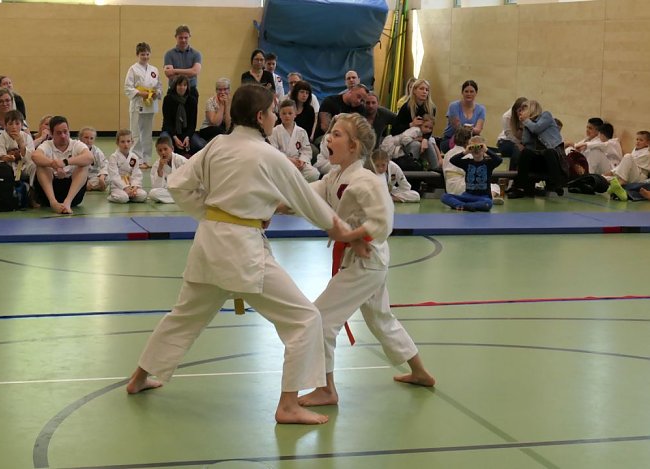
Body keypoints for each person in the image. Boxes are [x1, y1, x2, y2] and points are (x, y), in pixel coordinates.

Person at [125, 84, 355, 425]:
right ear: (261, 117)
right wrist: (339, 229)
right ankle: (289, 405)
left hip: (209, 246)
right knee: (305, 319)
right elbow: (307, 200)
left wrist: (209, 213)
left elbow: (177, 184)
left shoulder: (218, 145)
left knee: (184, 316)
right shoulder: (269, 155)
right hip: (242, 251)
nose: (276, 116)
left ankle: (138, 379)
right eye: (273, 111)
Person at [297, 112, 434, 410]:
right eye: (330, 133)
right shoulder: (334, 177)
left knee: (320, 318)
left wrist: (353, 235)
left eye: (337, 134)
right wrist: (270, 204)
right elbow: (306, 197)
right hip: (364, 261)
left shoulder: (367, 180)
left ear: (354, 146)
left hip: (366, 260)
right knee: (380, 318)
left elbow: (383, 221)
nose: (329, 138)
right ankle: (421, 373)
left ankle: (326, 389)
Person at [30, 116, 93, 214]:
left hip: (72, 193)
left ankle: (67, 203)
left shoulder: (76, 144)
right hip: (49, 192)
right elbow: (35, 156)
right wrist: (52, 164)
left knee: (83, 166)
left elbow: (89, 157)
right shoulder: (47, 145)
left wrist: (65, 162)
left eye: (65, 132)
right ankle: (53, 202)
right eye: (59, 133)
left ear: (69, 131)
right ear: (51, 133)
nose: (63, 136)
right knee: (41, 166)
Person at [507, 100, 568, 198]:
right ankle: (519, 188)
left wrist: (526, 121)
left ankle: (556, 184)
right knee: (526, 152)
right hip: (538, 160)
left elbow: (537, 128)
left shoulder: (546, 115)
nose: (521, 111)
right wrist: (524, 125)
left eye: (524, 108)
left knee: (549, 151)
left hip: (553, 159)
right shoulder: (528, 124)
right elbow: (526, 142)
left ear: (532, 108)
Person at [124, 42, 162, 169]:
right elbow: (127, 88)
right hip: (138, 105)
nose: (145, 57)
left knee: (147, 134)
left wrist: (157, 93)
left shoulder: (154, 70)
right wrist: (141, 93)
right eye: (142, 54)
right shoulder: (133, 69)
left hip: (150, 105)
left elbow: (159, 86)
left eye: (147, 54)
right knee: (136, 133)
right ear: (137, 55)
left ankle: (146, 159)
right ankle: (136, 160)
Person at [441, 136, 503, 211]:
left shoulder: (488, 164)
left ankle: (462, 206)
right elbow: (453, 160)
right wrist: (465, 152)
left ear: (483, 149)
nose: (476, 150)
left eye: (479, 147)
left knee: (488, 203)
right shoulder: (467, 163)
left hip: (483, 197)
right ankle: (467, 206)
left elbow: (499, 160)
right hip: (467, 196)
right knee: (445, 197)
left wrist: (486, 150)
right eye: (473, 148)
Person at [267, 99, 318, 182]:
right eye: (284, 113)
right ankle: (295, 183)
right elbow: (274, 152)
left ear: (295, 114)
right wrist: (289, 160)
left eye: (290, 113)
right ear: (279, 115)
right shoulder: (274, 131)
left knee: (314, 174)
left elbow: (306, 151)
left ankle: (293, 183)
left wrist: (302, 161)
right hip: (283, 163)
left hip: (298, 163)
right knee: (277, 177)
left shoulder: (301, 132)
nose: (287, 116)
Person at [0, 109, 35, 208]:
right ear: (5, 125)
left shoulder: (26, 137)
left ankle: (32, 194)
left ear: (22, 125)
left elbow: (31, 157)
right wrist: (6, 157)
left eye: (17, 123)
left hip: (24, 167)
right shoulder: (2, 137)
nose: (14, 127)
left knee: (34, 166)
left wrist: (21, 143)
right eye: (10, 124)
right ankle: (7, 194)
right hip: (8, 167)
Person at [440, 80, 486, 153]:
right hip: (452, 139)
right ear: (462, 92)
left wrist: (470, 130)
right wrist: (471, 129)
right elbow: (457, 128)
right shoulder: (453, 106)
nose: (469, 94)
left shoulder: (481, 109)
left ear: (476, 93)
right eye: (466, 91)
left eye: (471, 91)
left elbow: (478, 129)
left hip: (471, 140)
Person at [604, 131, 650, 201]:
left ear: (648, 143)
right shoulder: (635, 149)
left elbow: (630, 163)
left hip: (640, 177)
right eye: (637, 139)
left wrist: (612, 172)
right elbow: (626, 165)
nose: (638, 142)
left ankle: (620, 182)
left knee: (628, 156)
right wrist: (610, 173)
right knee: (627, 158)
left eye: (641, 140)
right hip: (632, 175)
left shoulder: (647, 153)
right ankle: (616, 184)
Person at [161, 75, 200, 156]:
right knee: (164, 145)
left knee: (199, 145)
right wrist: (175, 137)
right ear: (175, 86)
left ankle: (187, 156)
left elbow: (193, 124)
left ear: (187, 87)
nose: (182, 87)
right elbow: (167, 122)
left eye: (184, 85)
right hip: (170, 132)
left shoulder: (192, 100)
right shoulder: (168, 99)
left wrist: (187, 137)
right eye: (179, 85)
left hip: (186, 132)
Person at [107, 129, 147, 204]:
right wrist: (125, 187)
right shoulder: (114, 157)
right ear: (117, 143)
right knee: (123, 198)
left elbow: (137, 174)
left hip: (131, 184)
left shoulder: (134, 157)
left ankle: (130, 195)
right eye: (122, 142)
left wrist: (135, 187)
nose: (126, 144)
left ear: (132, 142)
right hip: (118, 186)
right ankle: (112, 195)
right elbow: (114, 176)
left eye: (128, 141)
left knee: (143, 195)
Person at [163, 25, 202, 99]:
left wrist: (174, 70)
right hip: (173, 91)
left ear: (189, 37)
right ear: (176, 37)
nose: (183, 40)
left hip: (191, 91)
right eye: (180, 37)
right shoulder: (169, 54)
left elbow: (195, 71)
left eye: (186, 37)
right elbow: (169, 74)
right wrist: (189, 72)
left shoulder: (196, 54)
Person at [148, 135, 188, 204]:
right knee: (153, 193)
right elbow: (156, 187)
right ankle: (181, 199)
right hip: (172, 193)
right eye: (160, 150)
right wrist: (160, 169)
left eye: (165, 149)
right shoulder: (156, 165)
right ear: (157, 151)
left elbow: (191, 178)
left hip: (184, 190)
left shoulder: (180, 160)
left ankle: (182, 198)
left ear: (172, 148)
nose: (163, 152)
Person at [496, 97, 527, 170]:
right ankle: (511, 175)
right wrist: (519, 144)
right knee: (517, 150)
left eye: (524, 110)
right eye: (519, 110)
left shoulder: (529, 115)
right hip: (505, 140)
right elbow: (509, 135)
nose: (521, 113)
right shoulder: (507, 116)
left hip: (523, 142)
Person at [197, 78, 232, 142]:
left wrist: (227, 106)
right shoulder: (211, 101)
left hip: (223, 129)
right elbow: (215, 123)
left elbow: (228, 125)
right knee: (219, 132)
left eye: (225, 89)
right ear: (216, 90)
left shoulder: (232, 102)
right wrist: (222, 105)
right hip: (209, 128)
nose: (222, 92)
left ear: (229, 90)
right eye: (220, 90)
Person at [78, 127, 108, 192]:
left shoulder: (97, 151)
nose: (88, 140)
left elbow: (105, 164)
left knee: (108, 178)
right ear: (80, 138)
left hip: (93, 177)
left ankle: (86, 186)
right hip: (79, 176)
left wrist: (102, 177)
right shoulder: (75, 149)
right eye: (86, 137)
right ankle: (87, 186)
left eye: (91, 138)